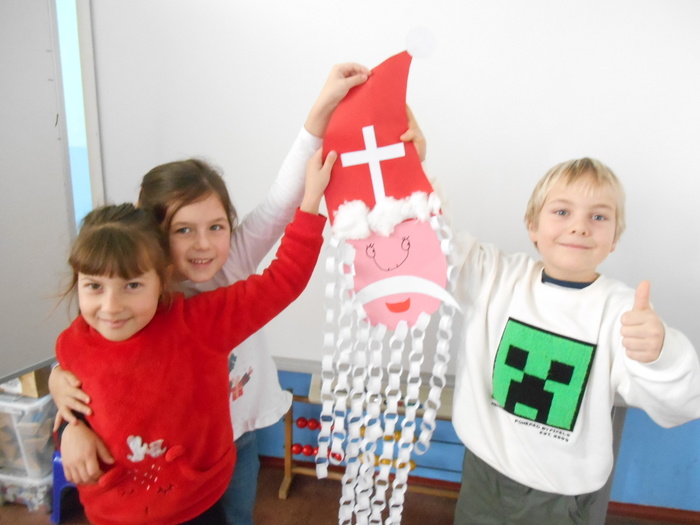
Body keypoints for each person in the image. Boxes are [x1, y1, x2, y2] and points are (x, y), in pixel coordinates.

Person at [50, 62, 425, 523]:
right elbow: (87, 368)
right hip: (155, 479)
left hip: (236, 435)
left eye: (217, 226)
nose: (203, 244)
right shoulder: (128, 300)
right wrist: (64, 408)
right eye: (183, 230)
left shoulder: (232, 263)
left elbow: (280, 206)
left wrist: (320, 112)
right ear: (152, 236)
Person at [55, 144, 331, 524]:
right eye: (94, 287)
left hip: (199, 499)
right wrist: (70, 427)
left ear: (160, 273)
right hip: (115, 511)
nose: (112, 306)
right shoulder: (75, 341)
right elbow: (80, 401)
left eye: (132, 285)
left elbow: (282, 279)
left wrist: (311, 202)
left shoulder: (198, 320)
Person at [448, 157, 700, 524]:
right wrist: (409, 162)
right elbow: (433, 238)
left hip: (562, 497)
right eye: (562, 212)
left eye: (598, 216)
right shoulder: (494, 276)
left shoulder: (624, 313)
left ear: (614, 239)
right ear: (532, 225)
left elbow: (683, 404)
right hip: (484, 475)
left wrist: (660, 355)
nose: (580, 227)